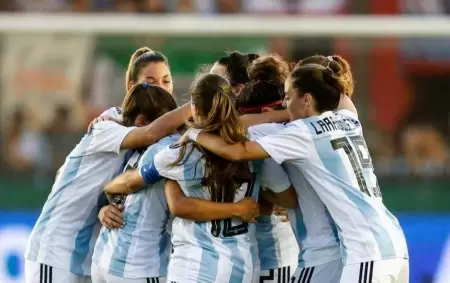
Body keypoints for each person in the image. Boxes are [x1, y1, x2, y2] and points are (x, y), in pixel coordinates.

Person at [183, 62, 409, 283]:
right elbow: (339, 95)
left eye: (289, 96)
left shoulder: (302, 132)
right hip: (393, 241)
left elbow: (239, 152)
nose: (284, 103)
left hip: (366, 250)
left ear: (307, 99)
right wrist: (327, 67)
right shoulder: (348, 118)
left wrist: (195, 133)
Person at [105, 73, 297, 283]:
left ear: (194, 109)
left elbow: (133, 183)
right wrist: (257, 201)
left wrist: (110, 189)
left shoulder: (179, 153)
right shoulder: (254, 149)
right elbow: (288, 199)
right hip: (243, 268)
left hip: (195, 268)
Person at [24, 83, 188, 283]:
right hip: (55, 252)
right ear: (141, 120)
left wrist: (103, 209)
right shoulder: (105, 129)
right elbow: (151, 132)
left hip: (88, 257)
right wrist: (197, 105)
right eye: (167, 124)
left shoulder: (137, 151)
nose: (169, 132)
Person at [234, 54, 300, 283]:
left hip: (273, 253)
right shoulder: (300, 130)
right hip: (274, 252)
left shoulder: (261, 139)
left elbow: (290, 200)